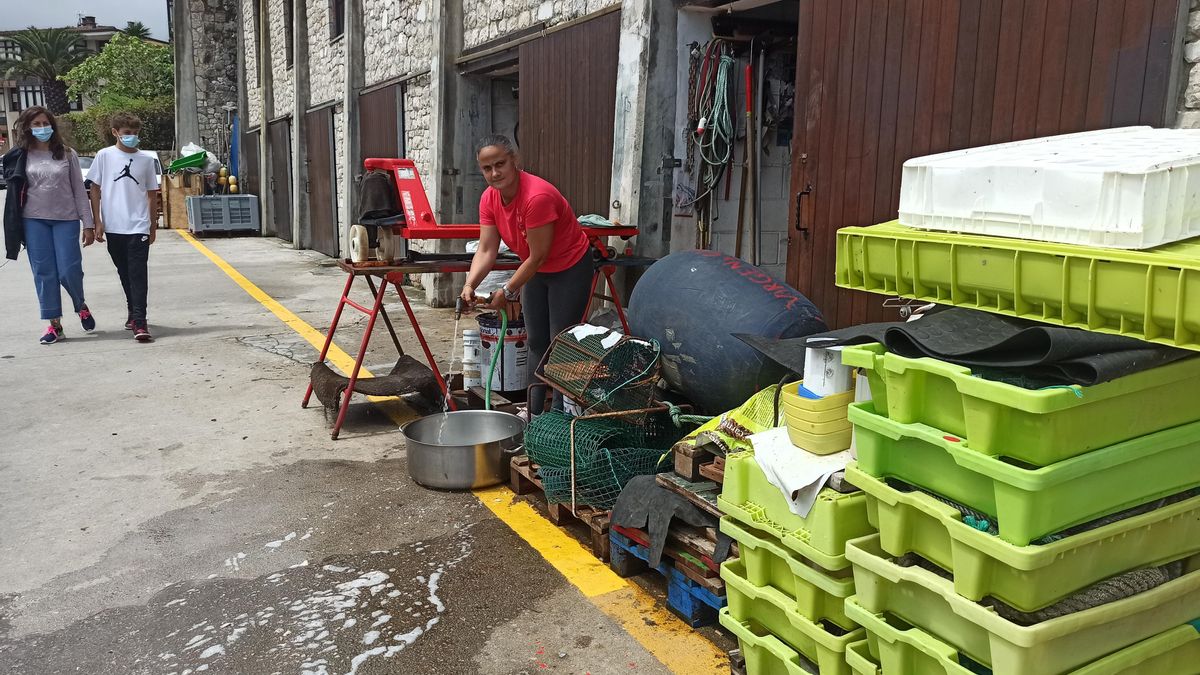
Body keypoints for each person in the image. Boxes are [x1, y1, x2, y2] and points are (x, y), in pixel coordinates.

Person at [461, 135, 593, 416]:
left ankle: (559, 413)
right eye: (487, 168)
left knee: (560, 341)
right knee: (536, 341)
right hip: (536, 269)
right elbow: (486, 249)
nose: (495, 173)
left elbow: (538, 255)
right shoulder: (489, 199)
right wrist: (470, 284)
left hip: (569, 267)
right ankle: (533, 413)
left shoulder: (537, 196)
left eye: (500, 164)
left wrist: (507, 291)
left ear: (515, 161)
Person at [2, 106, 97, 344]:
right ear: (27, 127)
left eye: (46, 123)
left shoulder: (66, 153)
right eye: (36, 124)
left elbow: (79, 190)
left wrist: (89, 224)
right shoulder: (19, 155)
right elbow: (13, 194)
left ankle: (80, 304)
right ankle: (54, 325)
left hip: (65, 219)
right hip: (33, 221)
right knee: (44, 273)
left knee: (68, 270)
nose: (42, 128)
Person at [87, 112, 161, 342]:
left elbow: (151, 195)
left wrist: (152, 226)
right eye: (128, 133)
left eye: (136, 133)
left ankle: (140, 320)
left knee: (138, 273)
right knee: (124, 272)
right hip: (114, 225)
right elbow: (95, 189)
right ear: (115, 132)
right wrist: (97, 221)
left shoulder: (147, 160)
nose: (132, 137)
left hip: (138, 225)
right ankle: (132, 311)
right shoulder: (104, 156)